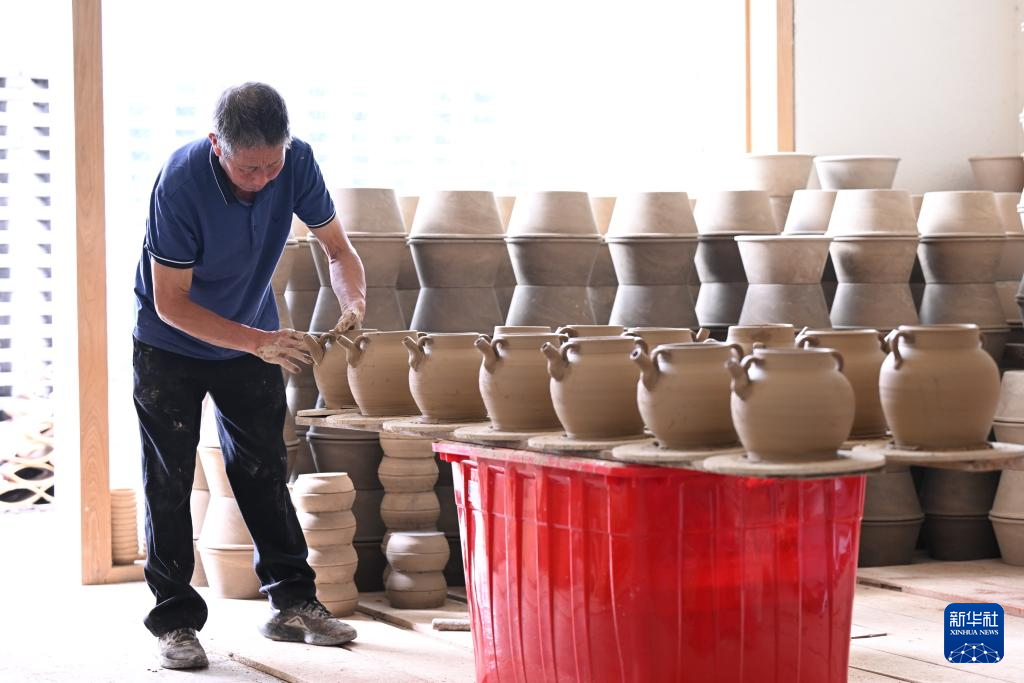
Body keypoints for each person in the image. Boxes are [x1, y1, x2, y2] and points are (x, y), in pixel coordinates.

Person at [132, 82, 367, 670]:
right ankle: (176, 621)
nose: (263, 179)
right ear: (217, 144)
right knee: (169, 477)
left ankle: (293, 605)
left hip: (252, 334)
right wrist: (258, 342)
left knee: (264, 467)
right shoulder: (181, 182)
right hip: (169, 343)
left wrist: (355, 301)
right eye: (248, 168)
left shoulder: (297, 161)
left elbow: (339, 252)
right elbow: (170, 303)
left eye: (272, 165)